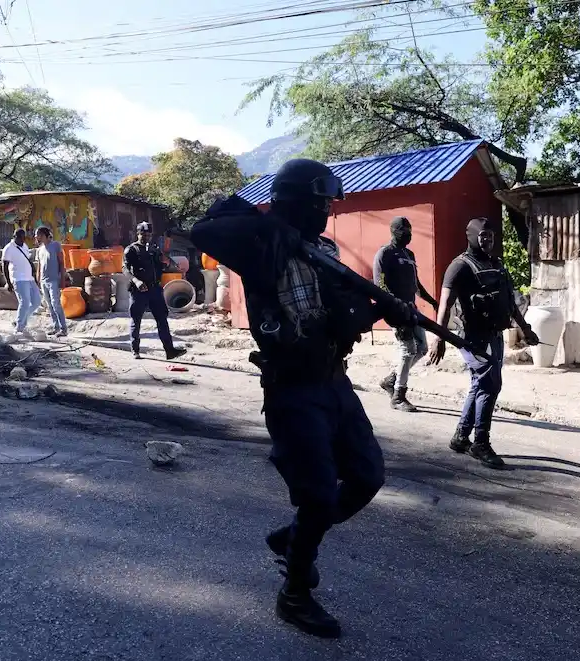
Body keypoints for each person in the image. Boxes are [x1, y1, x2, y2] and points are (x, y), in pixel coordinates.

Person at [190, 158, 416, 639]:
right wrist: (271, 227)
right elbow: (204, 227)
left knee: (367, 476)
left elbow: (343, 313)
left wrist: (387, 310)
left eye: (328, 204)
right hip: (292, 388)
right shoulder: (261, 247)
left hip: (334, 381)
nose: (326, 212)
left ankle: (293, 538)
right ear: (294, 203)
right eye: (319, 204)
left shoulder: (324, 251)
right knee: (317, 495)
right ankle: (293, 595)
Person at [427, 217, 539, 469]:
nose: (488, 240)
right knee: (490, 384)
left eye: (491, 236)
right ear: (471, 236)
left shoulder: (496, 264)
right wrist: (439, 337)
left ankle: (460, 437)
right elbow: (445, 305)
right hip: (472, 337)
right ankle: (480, 443)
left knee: (481, 384)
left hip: (495, 335)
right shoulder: (459, 266)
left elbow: (510, 302)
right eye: (483, 235)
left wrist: (525, 328)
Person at [373, 216, 438, 412]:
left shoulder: (409, 254)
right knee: (408, 349)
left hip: (412, 310)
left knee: (422, 348)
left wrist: (432, 301)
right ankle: (398, 397)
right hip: (396, 312)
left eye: (410, 231)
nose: (408, 235)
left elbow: (416, 285)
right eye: (404, 231)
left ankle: (391, 380)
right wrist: (394, 305)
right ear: (394, 231)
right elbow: (380, 285)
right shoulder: (385, 254)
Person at [123, 221, 186, 360]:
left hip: (155, 290)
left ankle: (170, 350)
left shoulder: (154, 249)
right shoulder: (131, 250)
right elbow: (125, 269)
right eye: (143, 234)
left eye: (149, 235)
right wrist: (136, 281)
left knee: (162, 319)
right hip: (139, 290)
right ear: (138, 234)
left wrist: (168, 263)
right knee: (136, 319)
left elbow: (162, 266)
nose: (146, 237)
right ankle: (135, 350)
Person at [2, 228, 42, 336]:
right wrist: (8, 282)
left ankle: (19, 321)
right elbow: (4, 266)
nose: (22, 240)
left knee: (37, 301)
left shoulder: (24, 246)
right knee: (24, 302)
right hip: (18, 279)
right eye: (20, 238)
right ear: (14, 237)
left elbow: (27, 260)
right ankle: (19, 328)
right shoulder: (8, 248)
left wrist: (34, 276)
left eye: (24, 238)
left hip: (29, 278)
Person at [34, 227, 69, 337]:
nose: (36, 237)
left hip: (54, 280)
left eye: (38, 235)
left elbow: (61, 263)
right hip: (43, 281)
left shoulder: (55, 245)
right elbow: (39, 266)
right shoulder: (39, 250)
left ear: (44, 235)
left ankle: (63, 329)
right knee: (49, 305)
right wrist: (38, 280)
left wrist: (62, 279)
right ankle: (56, 327)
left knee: (55, 304)